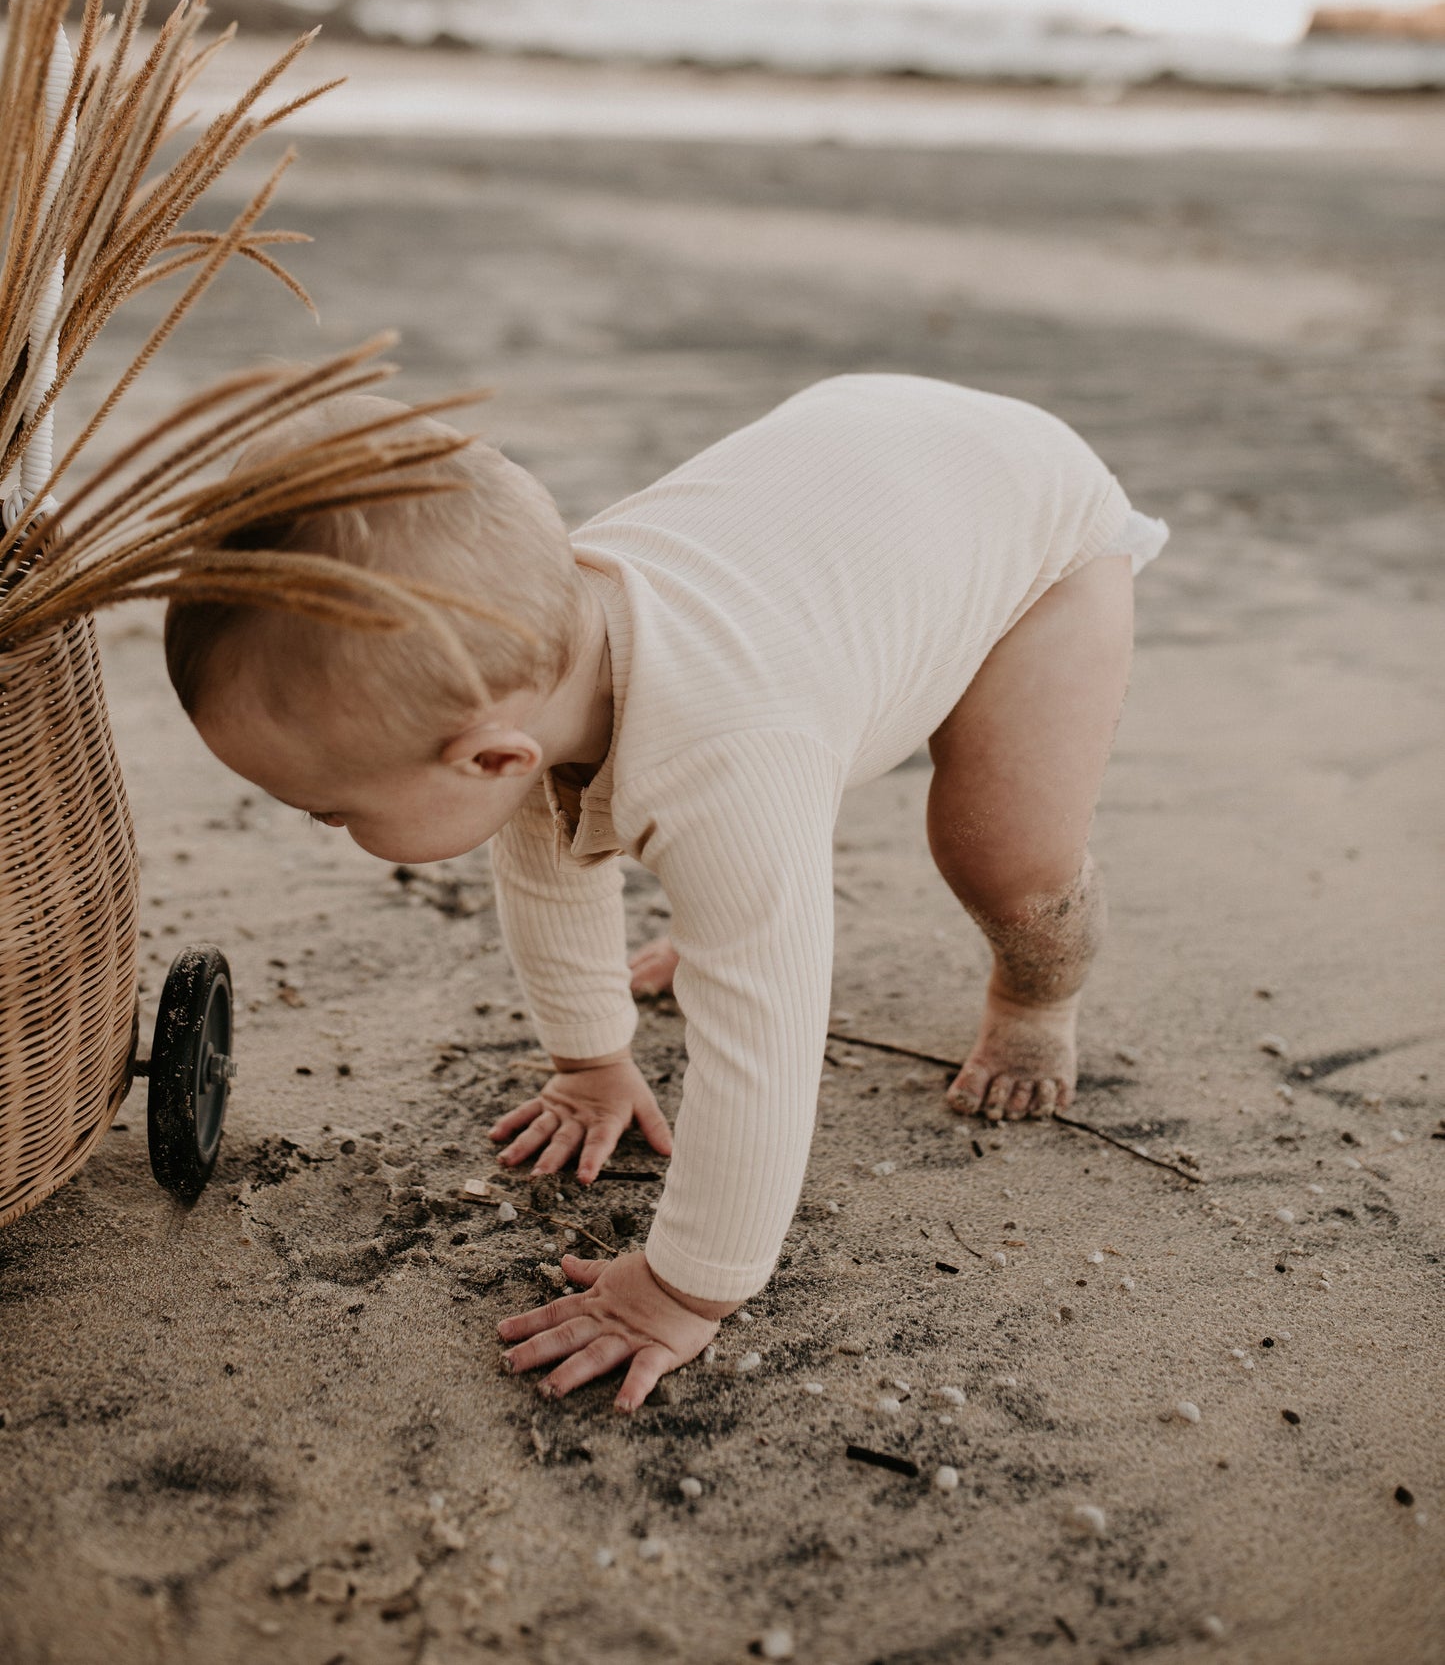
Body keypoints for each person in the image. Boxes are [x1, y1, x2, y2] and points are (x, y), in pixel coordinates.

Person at [166, 374, 1165, 1409]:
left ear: (493, 760)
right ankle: (731, 897)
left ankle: (1035, 997)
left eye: (331, 810)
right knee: (741, 848)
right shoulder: (521, 661)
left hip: (1023, 528)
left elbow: (764, 1045)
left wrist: (686, 1286)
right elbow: (545, 854)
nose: (326, 830)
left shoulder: (726, 755)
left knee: (999, 852)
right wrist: (590, 1061)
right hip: (861, 489)